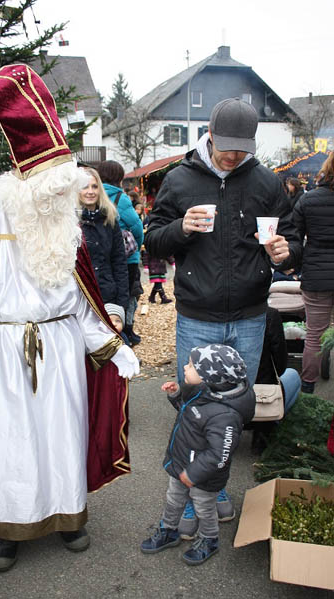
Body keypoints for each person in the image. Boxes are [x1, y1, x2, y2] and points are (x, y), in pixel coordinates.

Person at [0, 64, 139, 573]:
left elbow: (81, 299)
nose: (58, 197)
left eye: (62, 185)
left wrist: (114, 346)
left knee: (61, 435)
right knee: (3, 442)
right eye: (49, 186)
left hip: (61, 348)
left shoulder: (63, 221)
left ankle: (69, 516)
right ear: (22, 177)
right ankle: (8, 529)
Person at [145, 97, 302, 521]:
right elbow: (153, 240)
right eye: (226, 146)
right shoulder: (179, 180)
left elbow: (290, 238)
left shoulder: (266, 182)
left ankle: (212, 488)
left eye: (242, 148)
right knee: (194, 407)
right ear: (209, 135)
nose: (233, 155)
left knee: (233, 407)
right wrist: (180, 227)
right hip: (198, 314)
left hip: (250, 315)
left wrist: (287, 252)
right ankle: (190, 489)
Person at [140, 344, 255, 566]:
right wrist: (175, 395)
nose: (185, 366)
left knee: (204, 508)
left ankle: (209, 539)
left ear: (211, 377)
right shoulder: (206, 391)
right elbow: (189, 412)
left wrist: (194, 473)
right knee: (173, 499)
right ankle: (168, 530)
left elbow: (220, 454)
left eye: (192, 366)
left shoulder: (225, 416)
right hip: (182, 463)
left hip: (202, 476)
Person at [292, 151, 334, 394]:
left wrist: (294, 268)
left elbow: (294, 240)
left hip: (316, 275)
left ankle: (308, 389)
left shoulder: (307, 201)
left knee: (314, 336)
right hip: (318, 273)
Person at [97, 160, 144, 346]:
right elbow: (137, 227)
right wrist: (135, 248)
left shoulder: (93, 195)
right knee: (128, 294)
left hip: (102, 257)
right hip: (126, 257)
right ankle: (126, 331)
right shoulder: (120, 197)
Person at [251, 306, 301, 452]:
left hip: (227, 393)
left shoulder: (214, 312)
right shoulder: (269, 314)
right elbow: (280, 363)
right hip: (261, 395)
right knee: (292, 375)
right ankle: (262, 433)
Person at [78, 167, 129, 309]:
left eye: (94, 186)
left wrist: (122, 303)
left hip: (106, 294)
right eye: (85, 187)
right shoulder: (69, 221)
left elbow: (119, 262)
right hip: (79, 298)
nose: (90, 191)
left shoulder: (109, 219)